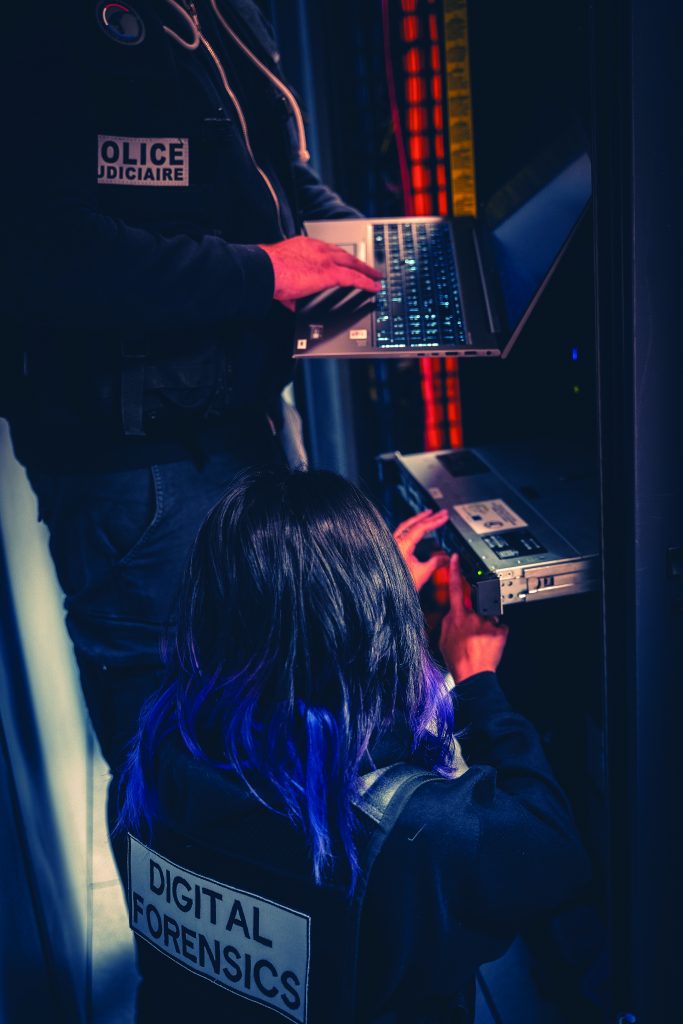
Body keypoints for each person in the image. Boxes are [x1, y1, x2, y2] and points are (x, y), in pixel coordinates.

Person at [3, 1, 382, 793]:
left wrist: (366, 251)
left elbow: (272, 166)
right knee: (176, 762)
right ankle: (175, 923)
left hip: (244, 422)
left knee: (277, 718)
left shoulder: (222, 9)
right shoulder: (42, 26)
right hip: (136, 469)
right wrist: (269, 273)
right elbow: (45, 254)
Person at [117, 466, 591, 1024]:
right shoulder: (415, 830)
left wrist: (346, 597)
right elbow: (556, 856)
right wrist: (478, 686)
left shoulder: (150, 766)